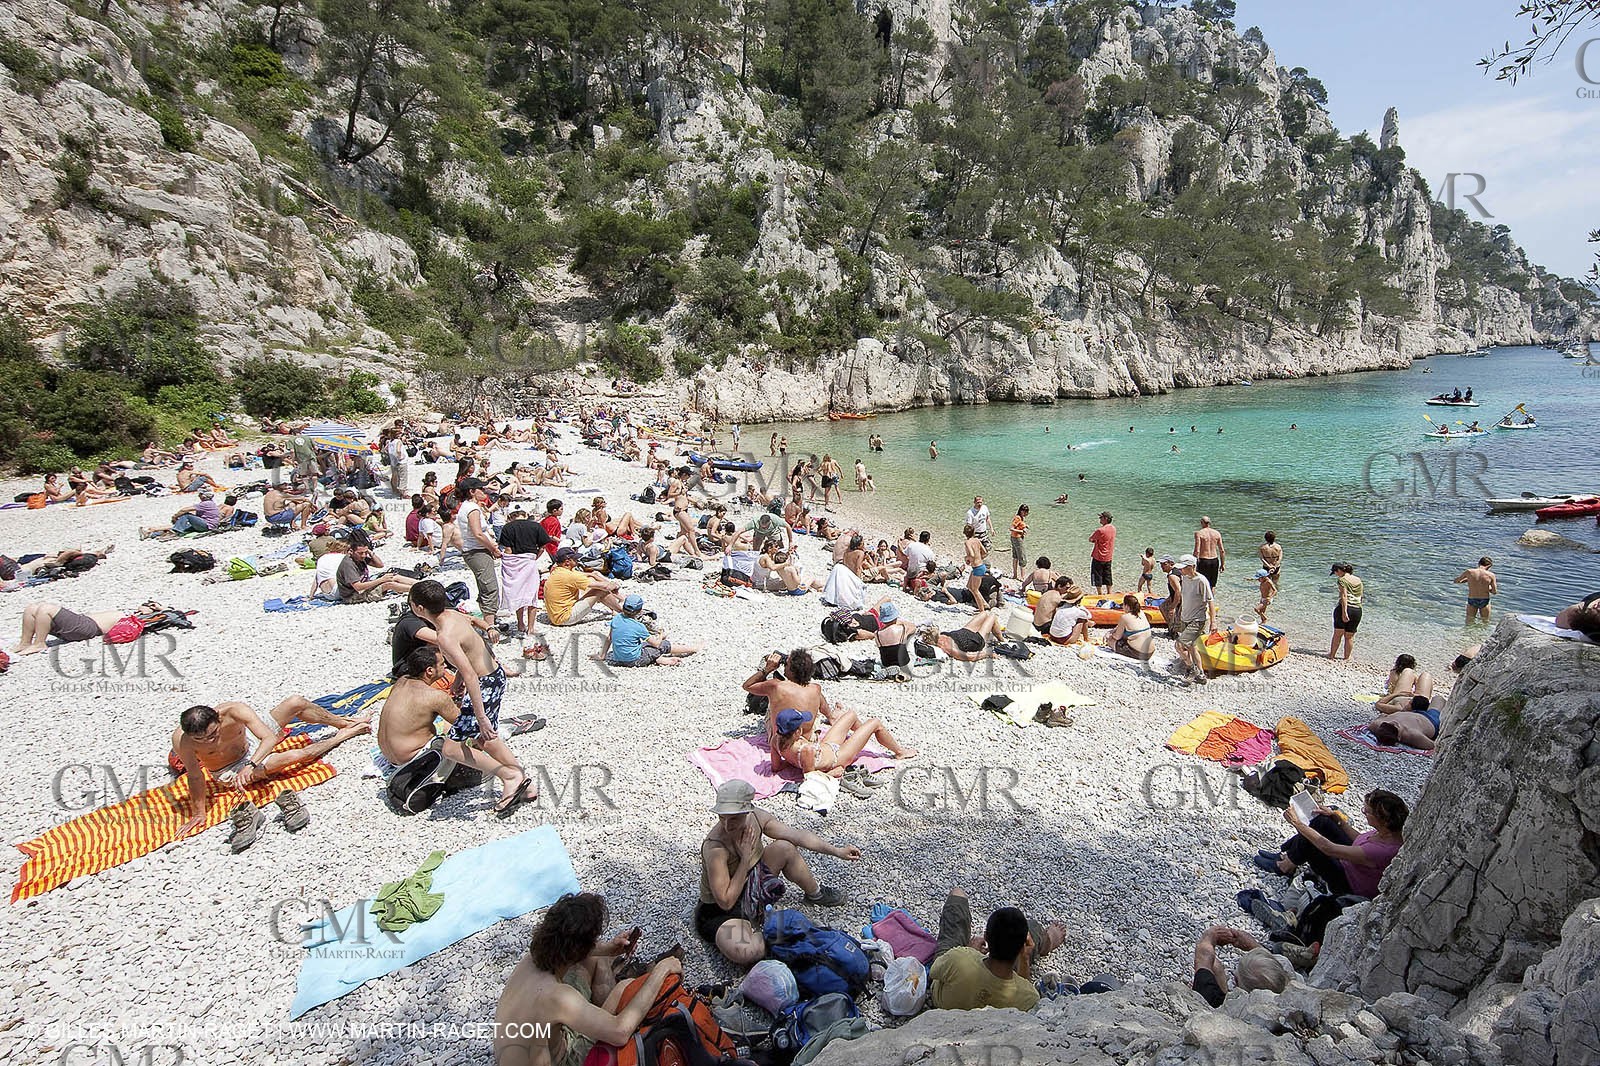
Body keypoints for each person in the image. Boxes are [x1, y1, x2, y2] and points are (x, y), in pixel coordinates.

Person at [493, 892, 680, 1066]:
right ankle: (604, 1018)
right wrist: (661, 970)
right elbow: (620, 1032)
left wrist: (607, 949)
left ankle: (597, 1017)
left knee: (594, 961)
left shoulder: (532, 959)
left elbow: (570, 949)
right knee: (625, 987)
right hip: (561, 1060)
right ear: (579, 948)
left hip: (516, 1051)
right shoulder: (557, 996)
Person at [171, 697, 371, 845]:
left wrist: (251, 764)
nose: (209, 741)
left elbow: (269, 738)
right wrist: (199, 812)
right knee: (293, 757)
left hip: (249, 747)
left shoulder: (234, 711)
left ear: (218, 718)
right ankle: (342, 736)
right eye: (202, 740)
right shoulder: (182, 740)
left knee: (295, 702)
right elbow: (196, 775)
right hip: (228, 769)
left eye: (213, 734)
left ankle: (344, 723)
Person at [697, 780, 858, 964]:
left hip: (751, 884)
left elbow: (797, 835)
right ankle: (780, 936)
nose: (727, 825)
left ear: (747, 811)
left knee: (784, 847)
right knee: (747, 952)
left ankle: (816, 894)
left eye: (734, 818)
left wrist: (836, 851)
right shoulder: (716, 848)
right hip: (721, 912)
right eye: (722, 818)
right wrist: (745, 858)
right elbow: (725, 902)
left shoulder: (757, 818)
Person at [379, 647, 532, 814]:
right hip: (414, 759)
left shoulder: (401, 682)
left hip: (390, 756)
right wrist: (464, 700)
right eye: (442, 664)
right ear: (430, 671)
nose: (445, 668)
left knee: (445, 728)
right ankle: (511, 775)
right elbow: (467, 726)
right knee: (473, 739)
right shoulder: (434, 697)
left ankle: (514, 775)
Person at [401, 580, 523, 779]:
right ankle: (523, 781)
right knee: (486, 738)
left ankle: (510, 777)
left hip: (484, 684)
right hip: (494, 676)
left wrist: (481, 718)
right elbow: (472, 650)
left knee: (452, 748)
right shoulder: (453, 616)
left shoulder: (444, 636)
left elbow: (471, 675)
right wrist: (457, 680)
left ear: (419, 608)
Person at [1254, 790, 1408, 900]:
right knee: (1322, 821)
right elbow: (1360, 839)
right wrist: (1338, 820)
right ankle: (1289, 857)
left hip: (1349, 882)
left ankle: (1285, 866)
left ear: (1382, 820)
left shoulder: (1381, 851)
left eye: (1366, 812)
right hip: (1354, 864)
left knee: (1314, 842)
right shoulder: (1388, 832)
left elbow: (1328, 848)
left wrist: (1296, 822)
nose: (1363, 813)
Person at [928, 889, 1040, 1011]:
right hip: (1006, 975)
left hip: (942, 1007)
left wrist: (970, 951)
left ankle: (1049, 938)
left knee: (957, 894)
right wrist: (1024, 958)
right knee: (1034, 927)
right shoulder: (1029, 996)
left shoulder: (959, 958)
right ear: (1022, 948)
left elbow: (934, 972)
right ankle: (1048, 939)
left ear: (986, 937)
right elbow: (1025, 992)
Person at [744, 649, 832, 763]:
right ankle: (831, 716)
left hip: (780, 742)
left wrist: (767, 669)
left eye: (786, 664)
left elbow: (747, 685)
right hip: (807, 740)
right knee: (815, 699)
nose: (784, 666)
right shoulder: (815, 688)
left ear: (791, 669)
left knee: (773, 701)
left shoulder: (776, 686)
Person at [772, 706, 916, 776]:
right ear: (797, 732)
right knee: (875, 722)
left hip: (826, 747)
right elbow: (811, 779)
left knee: (851, 715)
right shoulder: (805, 750)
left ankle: (863, 738)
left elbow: (776, 767)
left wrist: (793, 762)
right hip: (837, 757)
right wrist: (834, 772)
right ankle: (899, 752)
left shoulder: (776, 740)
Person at [1190, 927, 1288, 1008]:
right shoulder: (1293, 993)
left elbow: (1202, 960)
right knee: (1216, 968)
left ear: (1236, 982)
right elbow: (1274, 963)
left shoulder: (1214, 1002)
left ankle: (1224, 992)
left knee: (1215, 965)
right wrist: (1253, 945)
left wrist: (1209, 936)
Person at [597, 594, 701, 667]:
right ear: (640, 610)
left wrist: (602, 656)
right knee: (663, 644)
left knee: (645, 645)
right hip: (635, 660)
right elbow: (656, 644)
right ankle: (693, 648)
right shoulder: (638, 626)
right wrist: (661, 635)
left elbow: (609, 638)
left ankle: (658, 659)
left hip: (618, 658)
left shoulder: (616, 619)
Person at [499, 508, 553, 639]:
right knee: (531, 595)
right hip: (529, 561)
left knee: (518, 592)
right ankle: (531, 627)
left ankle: (520, 625)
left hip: (515, 562)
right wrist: (535, 557)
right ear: (526, 515)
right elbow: (543, 546)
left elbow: (508, 550)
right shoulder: (536, 526)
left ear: (512, 517)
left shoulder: (507, 528)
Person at [456, 478, 504, 624]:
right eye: (481, 489)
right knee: (490, 588)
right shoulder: (472, 509)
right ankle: (490, 626)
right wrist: (493, 549)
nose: (485, 491)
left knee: (484, 587)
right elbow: (478, 533)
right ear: (472, 491)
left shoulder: (466, 506)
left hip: (473, 551)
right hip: (477, 552)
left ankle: (484, 620)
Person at [545, 547, 625, 626]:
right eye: (575, 559)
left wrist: (593, 575)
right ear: (567, 562)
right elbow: (605, 587)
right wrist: (614, 585)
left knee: (592, 581)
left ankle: (617, 605)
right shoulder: (569, 576)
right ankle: (622, 612)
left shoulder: (558, 570)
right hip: (564, 618)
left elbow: (585, 575)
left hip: (554, 616)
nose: (577, 560)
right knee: (600, 590)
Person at [13, 603, 125, 655]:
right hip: (83, 623)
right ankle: (25, 643)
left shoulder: (133, 618)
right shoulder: (136, 613)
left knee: (46, 609)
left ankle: (39, 643)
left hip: (90, 626)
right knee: (31, 608)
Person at [336, 533, 416, 603]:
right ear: (351, 551)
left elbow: (380, 565)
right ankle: (417, 590)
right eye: (360, 553)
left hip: (363, 587)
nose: (363, 555)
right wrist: (381, 580)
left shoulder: (359, 557)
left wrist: (371, 553)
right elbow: (358, 587)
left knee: (393, 576)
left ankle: (420, 584)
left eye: (365, 552)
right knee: (388, 584)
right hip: (353, 596)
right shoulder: (348, 564)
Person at [1174, 555, 1216, 683]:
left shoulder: (1201, 581)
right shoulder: (1185, 578)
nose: (1181, 570)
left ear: (1192, 567)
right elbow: (1185, 598)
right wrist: (1178, 615)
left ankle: (1191, 668)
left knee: (1179, 645)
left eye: (1184, 568)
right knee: (1192, 647)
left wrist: (1213, 622)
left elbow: (1211, 601)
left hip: (1197, 620)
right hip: (1185, 618)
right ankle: (1201, 674)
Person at [916, 610, 1006, 661]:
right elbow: (969, 657)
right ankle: (1001, 640)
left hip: (964, 632)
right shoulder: (948, 647)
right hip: (976, 640)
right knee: (993, 616)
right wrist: (988, 653)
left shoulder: (940, 636)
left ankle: (999, 635)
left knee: (985, 613)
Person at [141, 489, 220, 538]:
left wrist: (175, 517)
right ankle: (151, 534)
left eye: (199, 494)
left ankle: (174, 532)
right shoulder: (209, 503)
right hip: (206, 524)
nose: (198, 495)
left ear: (203, 496)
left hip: (207, 526)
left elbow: (184, 510)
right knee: (182, 525)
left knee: (186, 516)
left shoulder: (206, 504)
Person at [1327, 562, 1364, 661]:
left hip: (1345, 608)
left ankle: (1332, 655)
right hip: (1357, 610)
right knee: (1349, 636)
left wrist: (1344, 612)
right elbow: (1361, 597)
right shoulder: (1358, 580)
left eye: (1335, 572)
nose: (1335, 574)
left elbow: (1344, 596)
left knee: (1338, 634)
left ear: (1339, 571)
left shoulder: (1341, 580)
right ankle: (1346, 658)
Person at [1107, 594, 1154, 660]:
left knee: (1110, 641)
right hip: (1151, 651)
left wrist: (1110, 635)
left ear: (1126, 606)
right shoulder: (1141, 613)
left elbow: (1117, 637)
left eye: (1123, 605)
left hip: (1139, 653)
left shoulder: (1125, 617)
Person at [1454, 556, 1497, 624]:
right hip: (1484, 600)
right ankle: (1482, 634)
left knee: (1469, 622)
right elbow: (1494, 592)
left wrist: (1468, 580)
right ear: (1489, 565)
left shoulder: (1469, 572)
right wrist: (1487, 587)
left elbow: (1457, 581)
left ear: (1479, 563)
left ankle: (1468, 634)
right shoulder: (1491, 575)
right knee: (1485, 622)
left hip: (1472, 599)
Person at [963, 524, 992, 610]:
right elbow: (985, 552)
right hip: (980, 566)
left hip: (977, 568)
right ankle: (984, 603)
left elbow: (971, 554)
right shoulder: (977, 540)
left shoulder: (967, 542)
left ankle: (981, 610)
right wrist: (979, 558)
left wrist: (967, 558)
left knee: (975, 590)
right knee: (969, 586)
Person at [1088, 512, 1116, 594]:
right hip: (1108, 556)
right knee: (1108, 575)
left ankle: (1100, 593)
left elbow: (1090, 539)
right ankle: (1109, 592)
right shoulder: (1113, 528)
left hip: (1098, 556)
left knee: (1097, 575)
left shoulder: (1100, 530)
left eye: (1101, 518)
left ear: (1105, 519)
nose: (1099, 519)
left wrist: (1096, 540)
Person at [1194, 517, 1225, 588]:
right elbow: (1222, 550)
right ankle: (1211, 599)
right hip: (1214, 560)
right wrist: (1222, 564)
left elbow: (1197, 550)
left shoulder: (1199, 533)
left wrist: (1194, 564)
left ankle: (1203, 599)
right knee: (1212, 585)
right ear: (1210, 523)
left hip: (1203, 560)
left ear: (1201, 522)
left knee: (1202, 583)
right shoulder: (1217, 533)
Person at [1009, 505, 1029, 581]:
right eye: (1024, 511)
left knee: (1015, 556)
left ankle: (1015, 574)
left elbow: (1018, 525)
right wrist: (1021, 531)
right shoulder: (1018, 518)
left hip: (1014, 538)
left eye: (1026, 512)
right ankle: (1022, 577)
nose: (1025, 513)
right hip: (1017, 539)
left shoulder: (1020, 518)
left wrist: (1025, 525)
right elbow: (1011, 528)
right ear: (1021, 510)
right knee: (1022, 557)